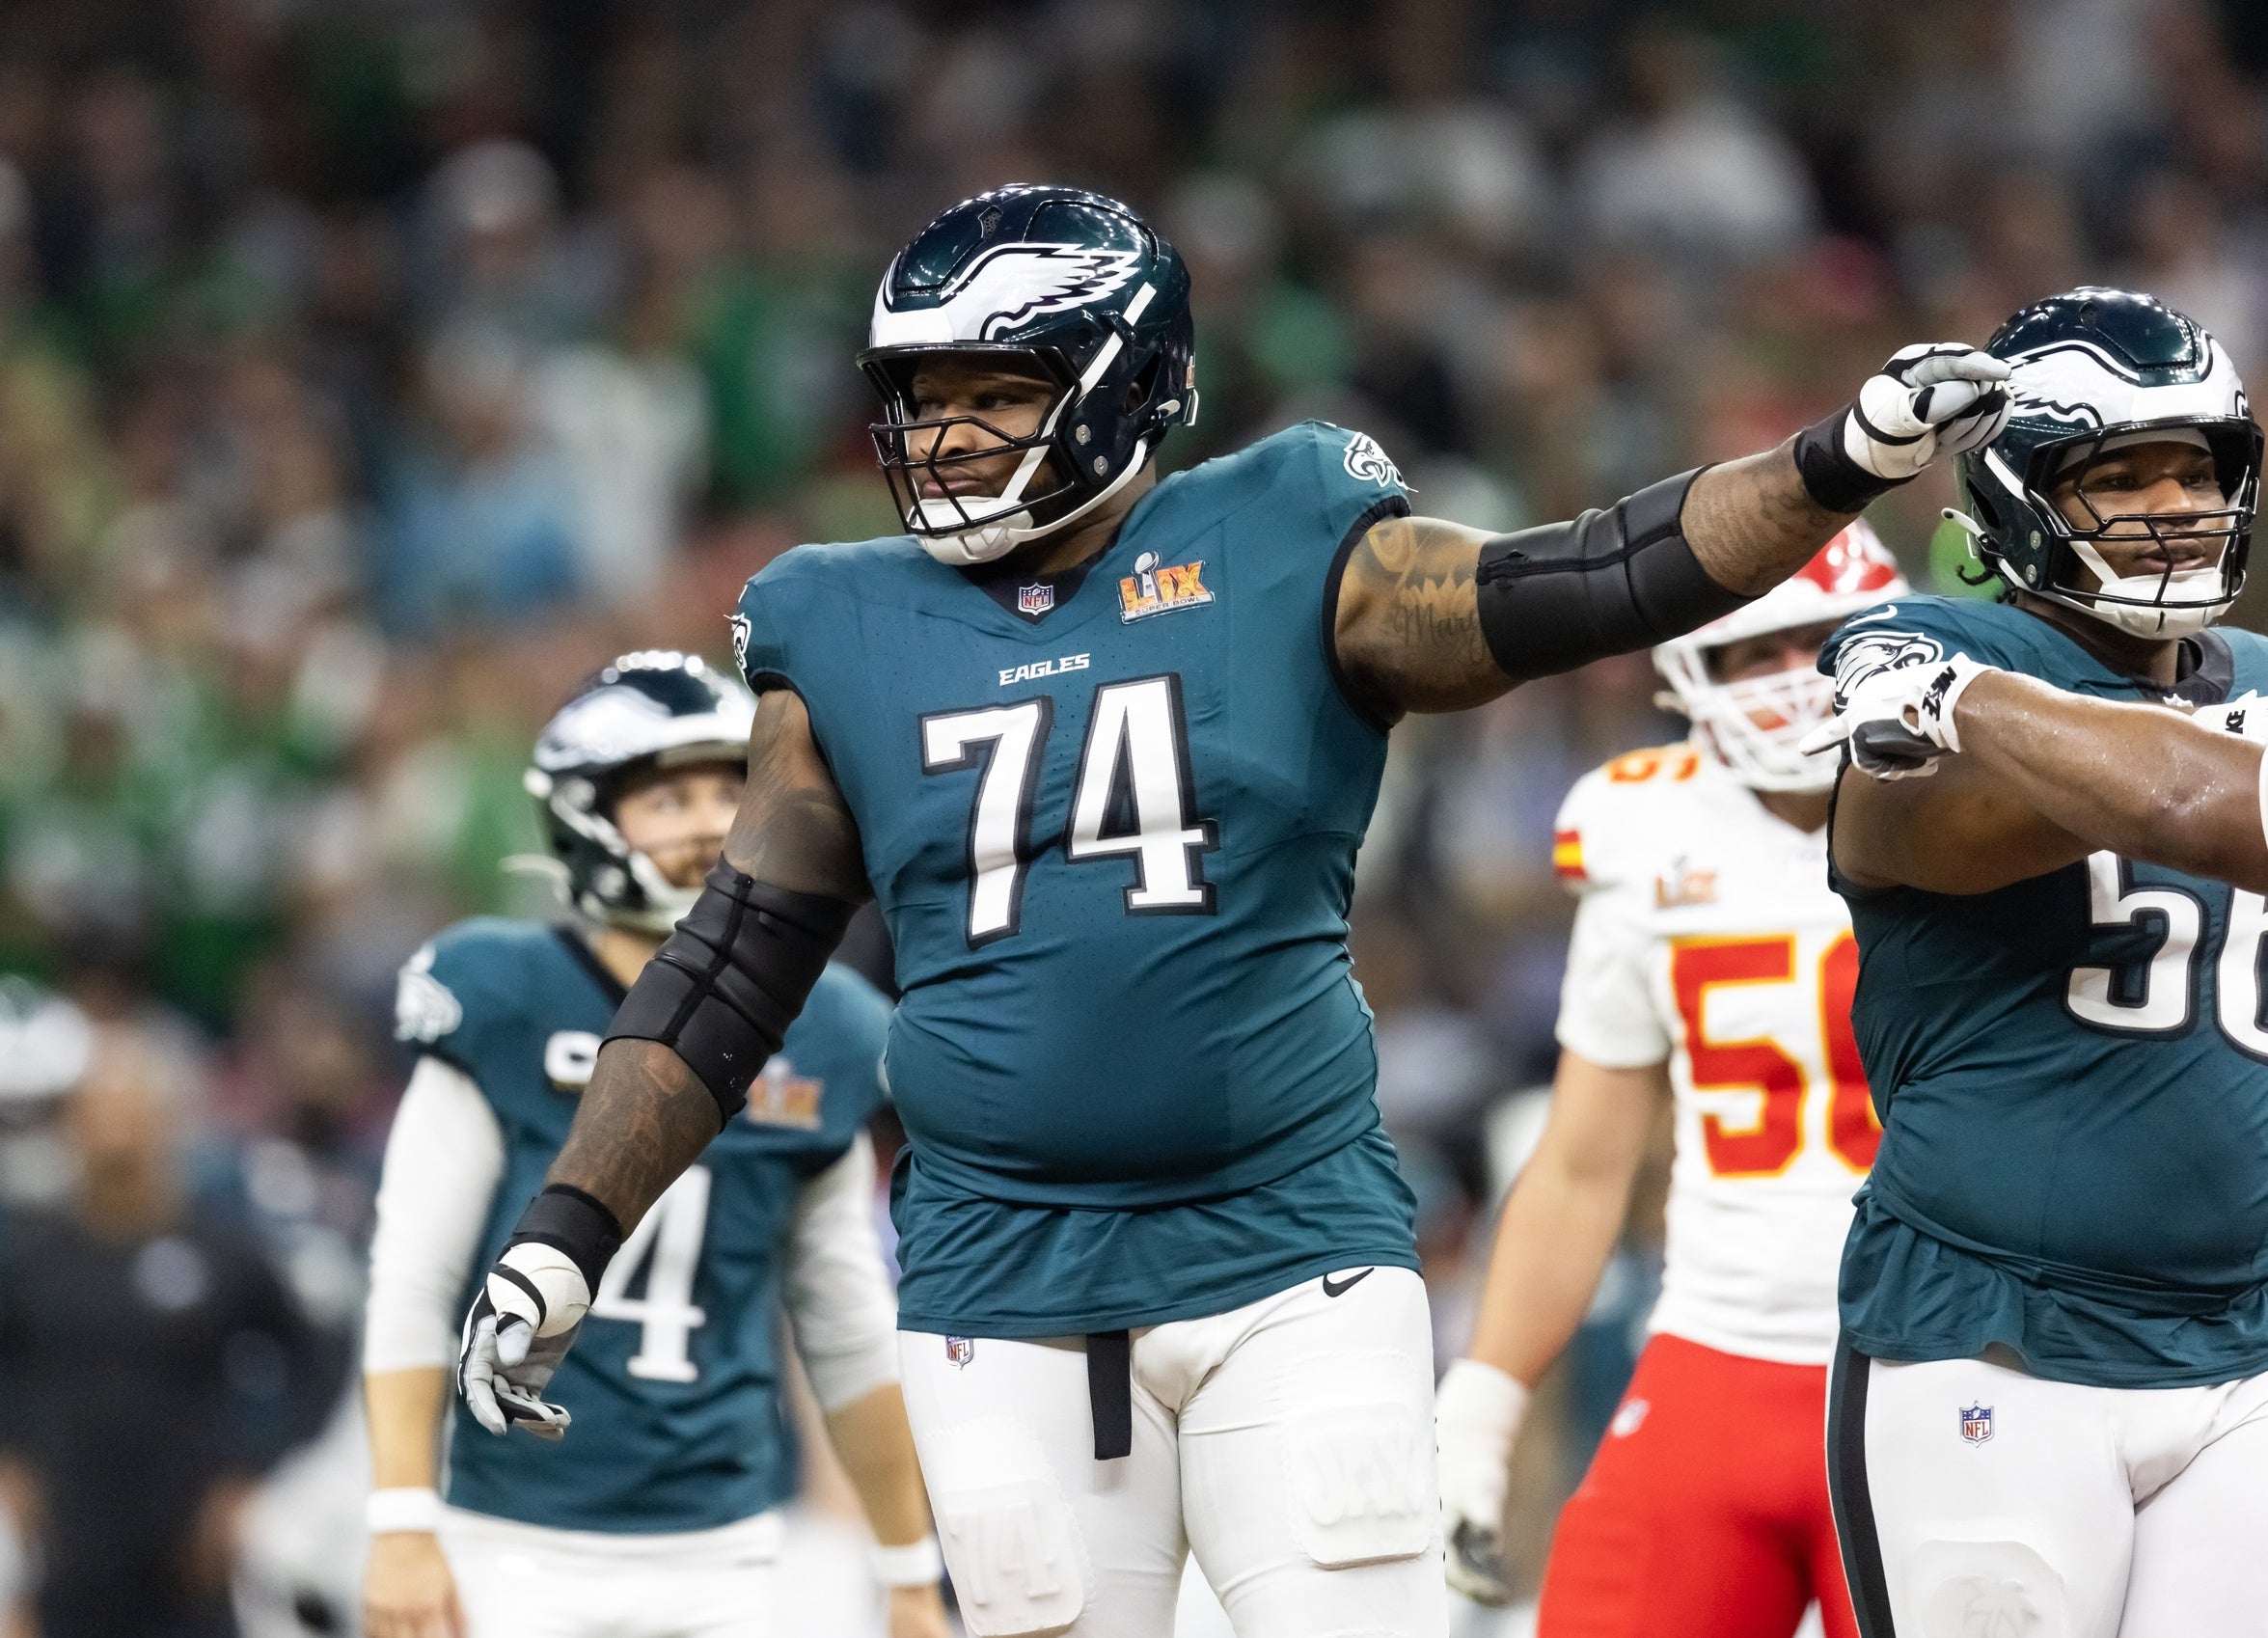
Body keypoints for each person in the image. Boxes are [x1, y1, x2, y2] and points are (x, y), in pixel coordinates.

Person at [454, 183, 2010, 1638]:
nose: (942, 433)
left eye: (990, 388)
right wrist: (566, 1226)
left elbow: (1585, 578)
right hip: (998, 1276)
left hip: (1289, 1252)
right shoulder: (838, 616)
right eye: (920, 395)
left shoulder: (1284, 533)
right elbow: (731, 962)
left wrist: (1837, 459)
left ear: (1123, 379)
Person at [1792, 287, 2268, 1636]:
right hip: (1991, 1333)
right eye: (2120, 474)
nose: (2175, 503)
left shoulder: (1940, 677)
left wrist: (1960, 705)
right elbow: (2147, 802)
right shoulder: (1948, 650)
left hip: (2241, 1347)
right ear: (2012, 496)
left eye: (2195, 466)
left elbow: (2207, 804)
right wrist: (1953, 688)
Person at [361, 651, 946, 1638]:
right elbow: (415, 1282)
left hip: (732, 1546)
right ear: (590, 821)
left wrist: (906, 1568)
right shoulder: (503, 995)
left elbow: (844, 1322)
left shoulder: (827, 1024)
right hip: (516, 1542)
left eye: (730, 790)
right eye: (668, 799)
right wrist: (400, 1522)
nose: (712, 821)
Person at [1435, 524, 1904, 1634]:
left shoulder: (1978, 805)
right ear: (1688, 673)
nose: (1796, 684)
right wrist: (1484, 1403)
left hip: (1934, 1364)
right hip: (1714, 1352)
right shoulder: (1644, 827)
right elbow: (1582, 1164)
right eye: (1756, 654)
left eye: (1820, 643)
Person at [0, 1019, 334, 1638]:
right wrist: (12, 1460)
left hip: (189, 1547)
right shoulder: (35, 1258)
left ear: (165, 1121)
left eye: (130, 1110)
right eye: (97, 1111)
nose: (113, 1131)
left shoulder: (220, 1251)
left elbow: (312, 1358)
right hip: (70, 1545)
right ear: (72, 1125)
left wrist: (250, 1473)